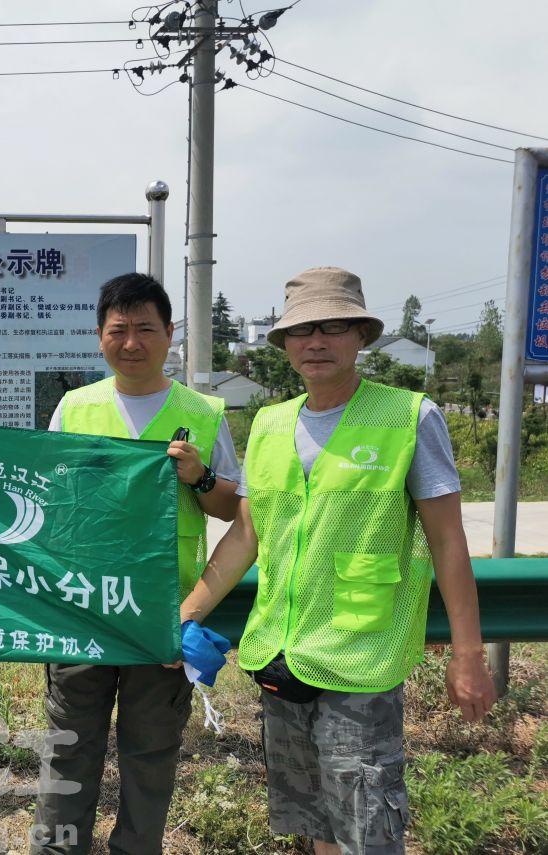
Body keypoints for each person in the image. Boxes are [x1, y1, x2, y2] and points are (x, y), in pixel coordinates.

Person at [179, 267, 496, 855]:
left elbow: (449, 542)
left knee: (367, 828)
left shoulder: (409, 417)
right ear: (285, 345)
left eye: (333, 327)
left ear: (360, 337)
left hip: (361, 659)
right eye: (302, 330)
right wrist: (188, 612)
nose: (316, 341)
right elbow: (247, 534)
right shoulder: (271, 424)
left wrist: (468, 655)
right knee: (317, 824)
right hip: (281, 653)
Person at [32, 272, 241, 855]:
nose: (132, 343)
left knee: (151, 753)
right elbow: (46, 501)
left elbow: (232, 506)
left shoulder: (202, 411)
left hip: (163, 614)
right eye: (118, 330)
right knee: (69, 744)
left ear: (169, 334)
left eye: (145, 329)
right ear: (99, 336)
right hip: (82, 611)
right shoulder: (74, 407)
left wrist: (197, 476)